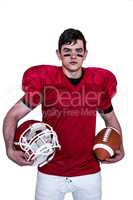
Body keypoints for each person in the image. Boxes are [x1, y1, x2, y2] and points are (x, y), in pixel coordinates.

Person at [3, 28, 124, 200]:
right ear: (58, 54)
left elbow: (111, 120)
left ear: (86, 54)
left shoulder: (97, 84)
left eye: (78, 51)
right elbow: (12, 115)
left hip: (88, 171)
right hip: (50, 171)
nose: (73, 56)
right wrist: (9, 148)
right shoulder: (46, 82)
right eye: (67, 52)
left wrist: (120, 145)